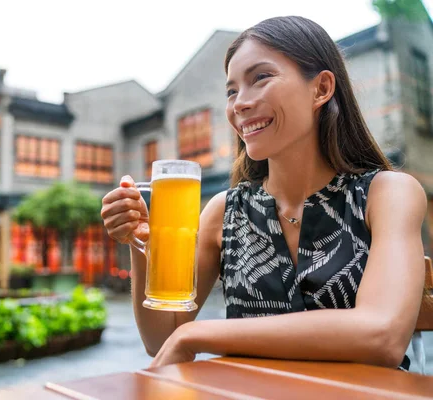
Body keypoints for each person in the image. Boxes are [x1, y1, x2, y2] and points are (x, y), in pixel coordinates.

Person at [101, 16, 427, 371]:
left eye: (260, 78)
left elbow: (382, 336)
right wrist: (141, 245)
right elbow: (162, 340)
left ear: (321, 88)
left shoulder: (387, 194)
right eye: (231, 91)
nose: (239, 103)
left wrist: (198, 335)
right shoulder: (224, 211)